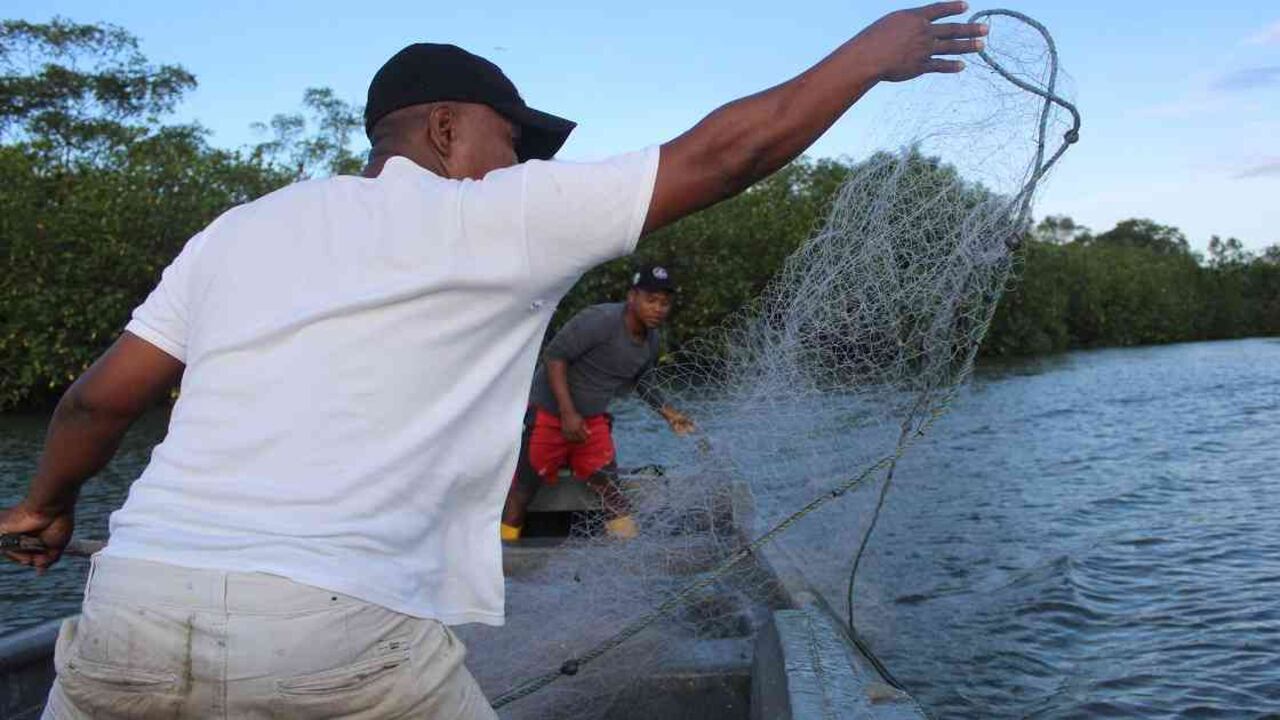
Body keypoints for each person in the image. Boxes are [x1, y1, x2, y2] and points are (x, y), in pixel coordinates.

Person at [0, 5, 987, 717]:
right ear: (442, 129)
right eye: (512, 142)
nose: (527, 168)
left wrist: (45, 506)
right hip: (333, 632)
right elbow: (721, 157)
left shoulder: (239, 231)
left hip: (127, 607)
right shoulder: (490, 216)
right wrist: (868, 53)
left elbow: (97, 405)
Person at [500, 264, 694, 541]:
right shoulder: (599, 320)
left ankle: (627, 557)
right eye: (651, 300)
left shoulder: (651, 341)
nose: (658, 309)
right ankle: (505, 557)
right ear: (632, 297)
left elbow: (642, 381)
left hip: (590, 423)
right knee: (523, 489)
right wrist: (567, 413)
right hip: (550, 414)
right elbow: (554, 357)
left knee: (612, 492)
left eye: (665, 303)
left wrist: (669, 413)